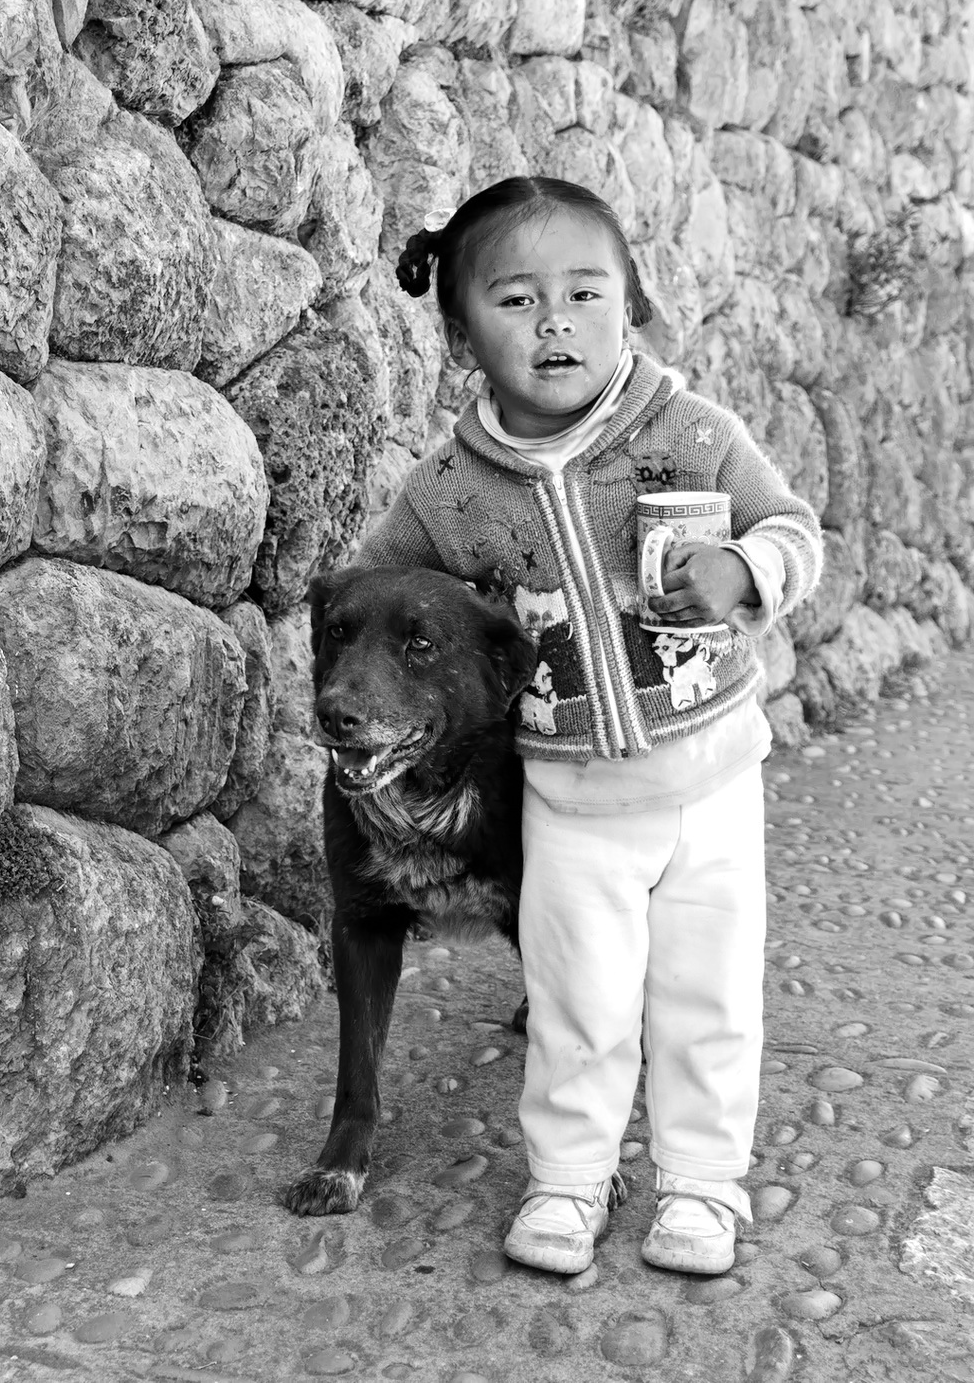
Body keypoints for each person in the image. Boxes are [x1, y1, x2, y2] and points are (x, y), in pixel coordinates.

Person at [353, 176, 823, 1276]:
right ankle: (569, 1182)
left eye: (584, 293)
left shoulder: (692, 434)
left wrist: (745, 568)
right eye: (515, 301)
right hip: (569, 800)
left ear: (632, 303)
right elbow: (376, 588)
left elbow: (791, 526)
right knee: (579, 1002)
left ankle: (702, 1188)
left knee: (706, 997)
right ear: (465, 335)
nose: (554, 322)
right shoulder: (450, 490)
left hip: (709, 781)